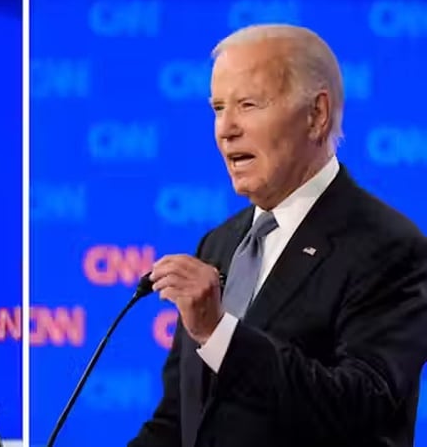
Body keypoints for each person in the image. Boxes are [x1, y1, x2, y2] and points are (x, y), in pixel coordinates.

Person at [129, 23, 427, 447]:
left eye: (248, 104)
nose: (225, 128)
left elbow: (360, 408)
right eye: (217, 107)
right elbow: (180, 422)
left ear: (316, 115)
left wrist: (220, 334)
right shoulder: (218, 245)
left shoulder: (389, 247)